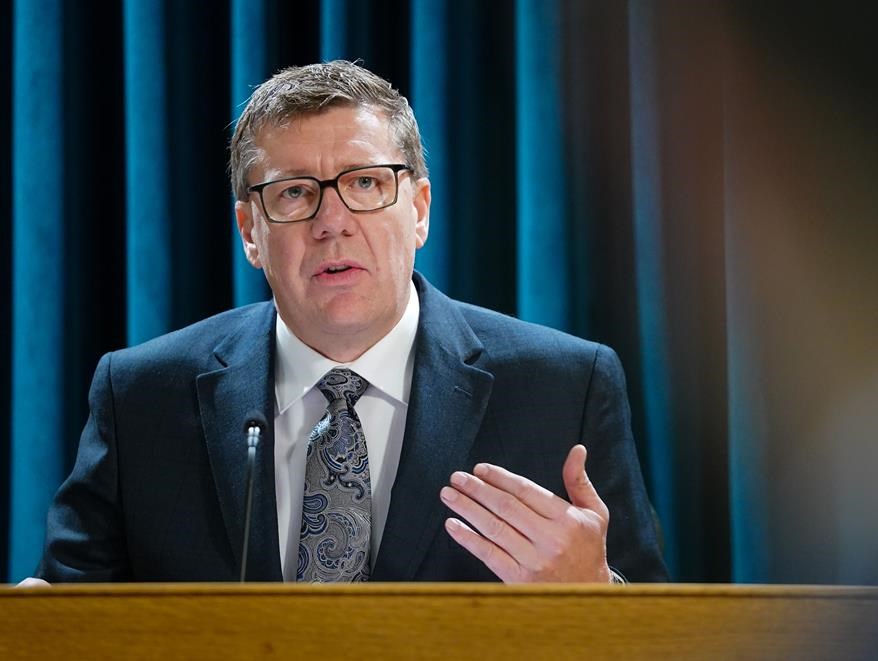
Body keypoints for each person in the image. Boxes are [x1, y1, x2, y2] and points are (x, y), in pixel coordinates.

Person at [30, 60, 667, 584]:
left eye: (364, 183)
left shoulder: (564, 387)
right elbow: (68, 620)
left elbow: (661, 639)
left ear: (418, 211)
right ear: (251, 232)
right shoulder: (140, 395)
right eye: (294, 192)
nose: (331, 220)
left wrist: (598, 598)